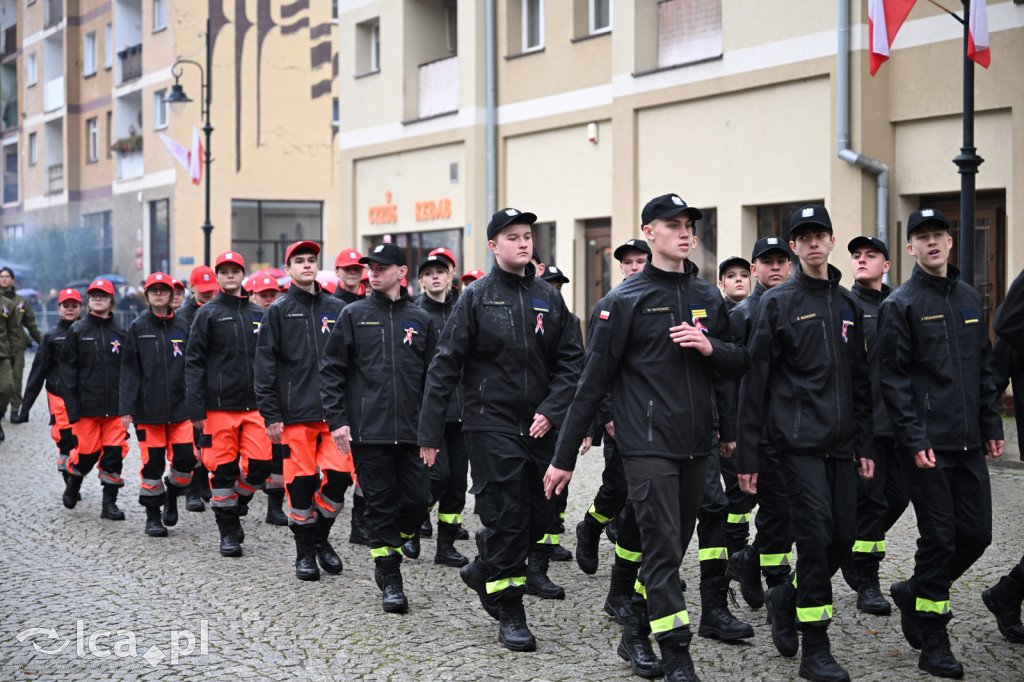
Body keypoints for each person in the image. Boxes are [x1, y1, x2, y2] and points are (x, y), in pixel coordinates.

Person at [545, 193, 748, 681]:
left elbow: (738, 362)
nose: (683, 232)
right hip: (647, 445)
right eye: (672, 224)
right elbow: (590, 384)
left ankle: (635, 627)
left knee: (672, 549)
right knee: (661, 551)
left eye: (688, 225)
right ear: (649, 232)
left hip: (697, 443)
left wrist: (710, 348)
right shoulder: (622, 302)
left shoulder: (706, 298)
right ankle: (677, 654)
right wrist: (564, 455)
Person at [418, 207, 583, 652]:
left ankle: (480, 570)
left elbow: (571, 361)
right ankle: (510, 609)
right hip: (489, 424)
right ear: (494, 246)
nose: (523, 243)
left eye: (527, 235)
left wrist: (552, 410)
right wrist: (430, 431)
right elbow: (444, 364)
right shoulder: (476, 297)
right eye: (512, 237)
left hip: (540, 425)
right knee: (507, 518)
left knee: (541, 517)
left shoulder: (550, 296)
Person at [737, 205, 874, 682]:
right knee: (814, 540)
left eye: (821, 235)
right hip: (794, 446)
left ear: (832, 241)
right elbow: (754, 384)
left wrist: (867, 446)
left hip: (841, 445)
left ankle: (784, 596)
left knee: (842, 540)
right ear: (794, 247)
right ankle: (816, 648)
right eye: (804, 237)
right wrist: (749, 453)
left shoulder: (847, 305)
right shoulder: (776, 304)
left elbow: (859, 383)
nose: (814, 243)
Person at [878, 208, 1004, 678]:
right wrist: (913, 438)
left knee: (978, 534)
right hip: (926, 445)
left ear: (950, 244)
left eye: (939, 235)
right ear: (910, 248)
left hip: (969, 443)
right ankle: (933, 636)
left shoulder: (971, 299)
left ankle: (914, 591)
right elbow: (891, 380)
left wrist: (991, 426)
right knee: (939, 539)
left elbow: (985, 371)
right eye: (922, 237)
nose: (932, 243)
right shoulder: (902, 304)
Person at [321, 243, 436, 610]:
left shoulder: (421, 319)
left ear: (402, 273)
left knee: (419, 500)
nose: (373, 272)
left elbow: (437, 380)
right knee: (380, 506)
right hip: (369, 432)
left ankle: (393, 545)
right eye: (370, 266)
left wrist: (431, 429)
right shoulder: (353, 314)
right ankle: (390, 576)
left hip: (414, 431)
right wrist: (337, 420)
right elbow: (332, 371)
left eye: (382, 267)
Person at [255, 241, 353, 581]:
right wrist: (270, 414)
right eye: (300, 261)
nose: (307, 265)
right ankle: (304, 553)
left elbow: (350, 362)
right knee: (300, 484)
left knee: (340, 478)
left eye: (312, 260)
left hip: (334, 415)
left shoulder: (338, 307)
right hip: (295, 414)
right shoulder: (278, 311)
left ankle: (319, 538)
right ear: (288, 269)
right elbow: (265, 367)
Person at [185, 252, 273, 558]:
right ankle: (228, 534)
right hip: (217, 408)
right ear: (218, 277)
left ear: (243, 274)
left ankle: (237, 506)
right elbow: (193, 362)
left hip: (255, 407)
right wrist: (195, 408)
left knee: (261, 467)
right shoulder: (207, 314)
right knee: (221, 472)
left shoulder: (259, 314)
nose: (230, 275)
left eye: (235, 270)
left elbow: (270, 361)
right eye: (224, 271)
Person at [840, 236, 909, 616]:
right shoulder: (846, 305)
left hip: (900, 423)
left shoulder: (901, 303)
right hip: (863, 425)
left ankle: (850, 545)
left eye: (871, 255)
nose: (862, 260)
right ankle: (867, 580)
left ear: (886, 264)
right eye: (856, 256)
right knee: (871, 501)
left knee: (898, 498)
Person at [726, 237, 794, 610]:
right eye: (767, 262)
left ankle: (750, 561)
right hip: (759, 429)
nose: (776, 268)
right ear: (755, 270)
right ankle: (776, 580)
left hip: (799, 426)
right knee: (775, 507)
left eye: (781, 261)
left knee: (793, 510)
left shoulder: (800, 303)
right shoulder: (742, 315)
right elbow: (732, 380)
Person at [119, 272, 195, 538]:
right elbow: (129, 370)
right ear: (147, 294)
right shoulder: (138, 327)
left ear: (173, 294)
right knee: (152, 465)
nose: (160, 294)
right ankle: (153, 516)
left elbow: (194, 366)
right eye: (155, 290)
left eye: (165, 290)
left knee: (186, 461)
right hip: (148, 412)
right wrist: (127, 407)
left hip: (181, 409)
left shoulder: (184, 325)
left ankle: (173, 491)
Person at [411, 254, 470, 568]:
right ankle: (411, 521)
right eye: (429, 273)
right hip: (431, 411)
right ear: (420, 281)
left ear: (451, 276)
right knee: (438, 476)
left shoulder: (464, 309)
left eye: (441, 272)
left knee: (458, 482)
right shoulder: (416, 315)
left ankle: (445, 546)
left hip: (465, 411)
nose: (435, 278)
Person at [59, 279, 130, 520]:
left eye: (103, 295)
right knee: (87, 453)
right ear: (88, 301)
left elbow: (129, 371)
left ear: (112, 301)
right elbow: (66, 373)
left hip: (115, 410)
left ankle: (109, 504)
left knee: (114, 455)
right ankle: (73, 483)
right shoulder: (77, 331)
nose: (98, 298)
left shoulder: (121, 333)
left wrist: (129, 405)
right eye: (94, 295)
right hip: (86, 408)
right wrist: (72, 408)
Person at [983, 265, 1024, 644]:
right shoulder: (1014, 327)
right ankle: (1007, 592)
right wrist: (988, 425)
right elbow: (994, 374)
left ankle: (1007, 592)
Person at [19, 288, 82, 485]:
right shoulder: (51, 336)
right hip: (58, 395)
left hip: (83, 395)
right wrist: (25, 407)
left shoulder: (87, 332)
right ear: (59, 309)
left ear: (81, 308)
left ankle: (76, 475)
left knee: (83, 440)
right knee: (65, 438)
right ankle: (69, 480)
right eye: (66, 306)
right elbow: (38, 371)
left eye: (74, 306)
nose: (70, 309)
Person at [247, 275, 289, 526]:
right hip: (249, 399)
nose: (268, 299)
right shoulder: (249, 318)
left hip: (279, 397)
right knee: (256, 461)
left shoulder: (283, 318)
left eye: (272, 294)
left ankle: (275, 507)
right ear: (253, 296)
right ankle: (240, 497)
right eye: (263, 295)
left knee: (278, 456)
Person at [180, 264, 219, 512]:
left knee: (209, 439)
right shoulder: (182, 317)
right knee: (192, 440)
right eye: (202, 290)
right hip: (189, 385)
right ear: (191, 288)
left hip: (215, 385)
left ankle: (205, 482)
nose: (207, 294)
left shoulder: (218, 311)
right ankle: (192, 490)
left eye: (210, 289)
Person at [0, 267, 43, 422]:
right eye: (1, 276)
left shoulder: (21, 302)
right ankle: (2, 409)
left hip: (17, 345)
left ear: (13, 280)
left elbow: (31, 324)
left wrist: (44, 343)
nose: (4, 279)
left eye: (7, 276)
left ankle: (15, 409)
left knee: (16, 379)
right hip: (2, 346)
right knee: (4, 383)